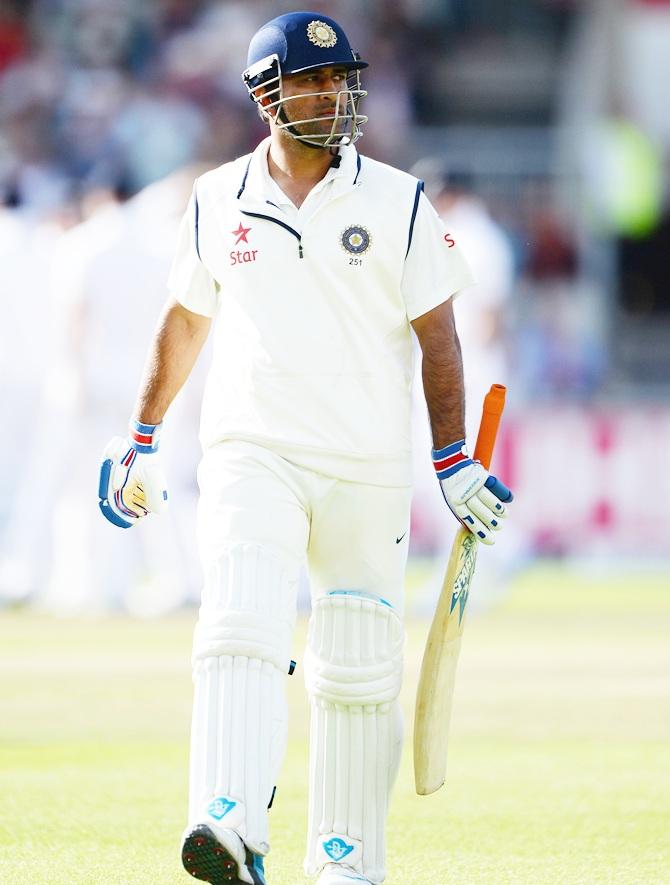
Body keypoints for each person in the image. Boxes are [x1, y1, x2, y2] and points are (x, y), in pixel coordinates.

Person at [98, 12, 513, 885]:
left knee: (358, 662)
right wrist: (141, 436)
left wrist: (451, 457)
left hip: (365, 460)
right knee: (241, 615)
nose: (332, 95)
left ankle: (346, 859)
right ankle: (229, 820)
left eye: (340, 80)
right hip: (253, 447)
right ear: (266, 97)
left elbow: (439, 336)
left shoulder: (399, 198)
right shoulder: (216, 198)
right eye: (312, 81)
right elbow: (185, 318)